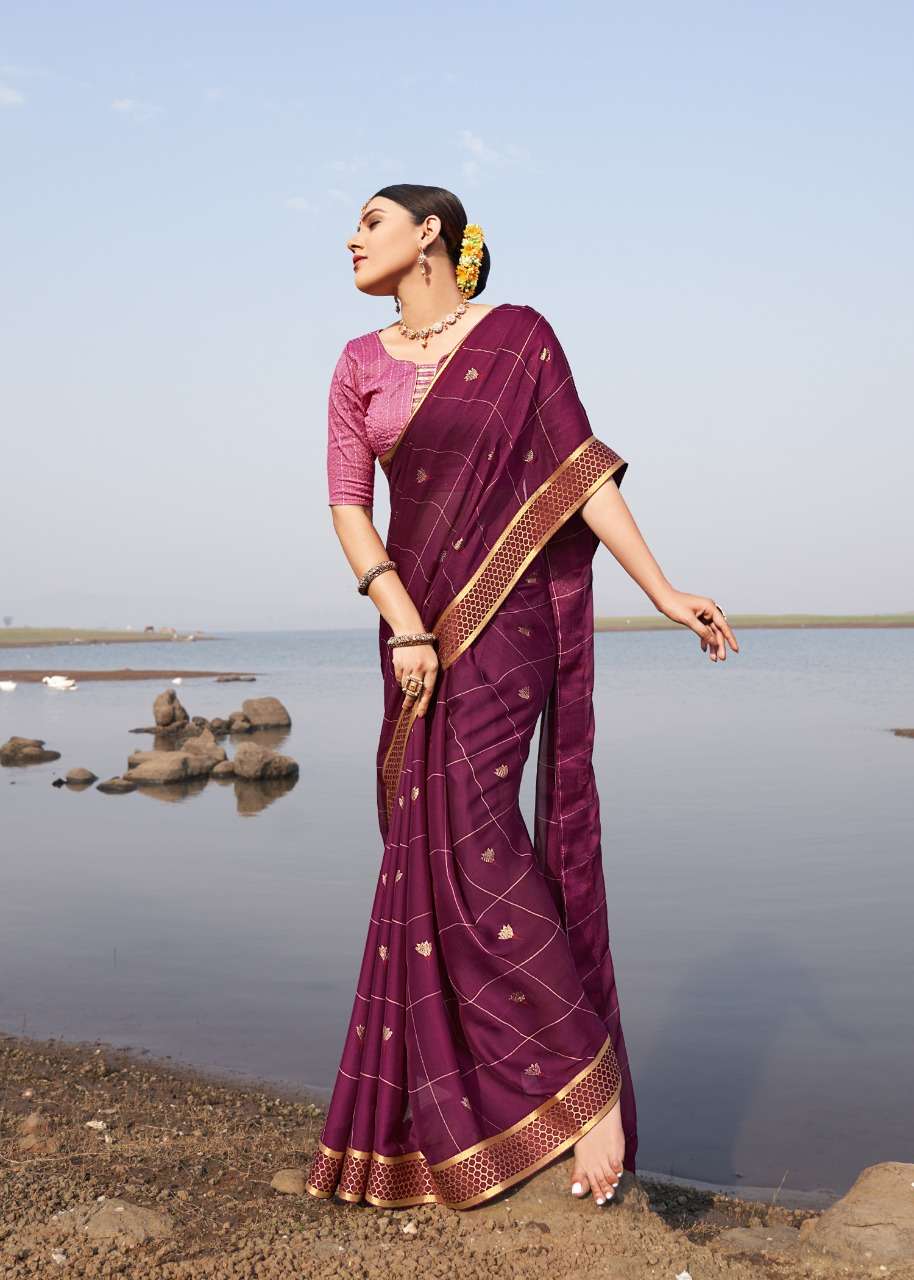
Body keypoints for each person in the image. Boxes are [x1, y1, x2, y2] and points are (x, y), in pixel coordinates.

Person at [305, 184, 739, 1212]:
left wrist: (661, 590)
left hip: (505, 620)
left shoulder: (520, 339)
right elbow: (347, 508)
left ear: (430, 234)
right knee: (426, 847)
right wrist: (405, 620)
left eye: (371, 220)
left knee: (475, 829)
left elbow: (582, 479)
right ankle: (505, 1093)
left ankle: (586, 1086)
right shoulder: (357, 363)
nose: (351, 238)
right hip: (413, 624)